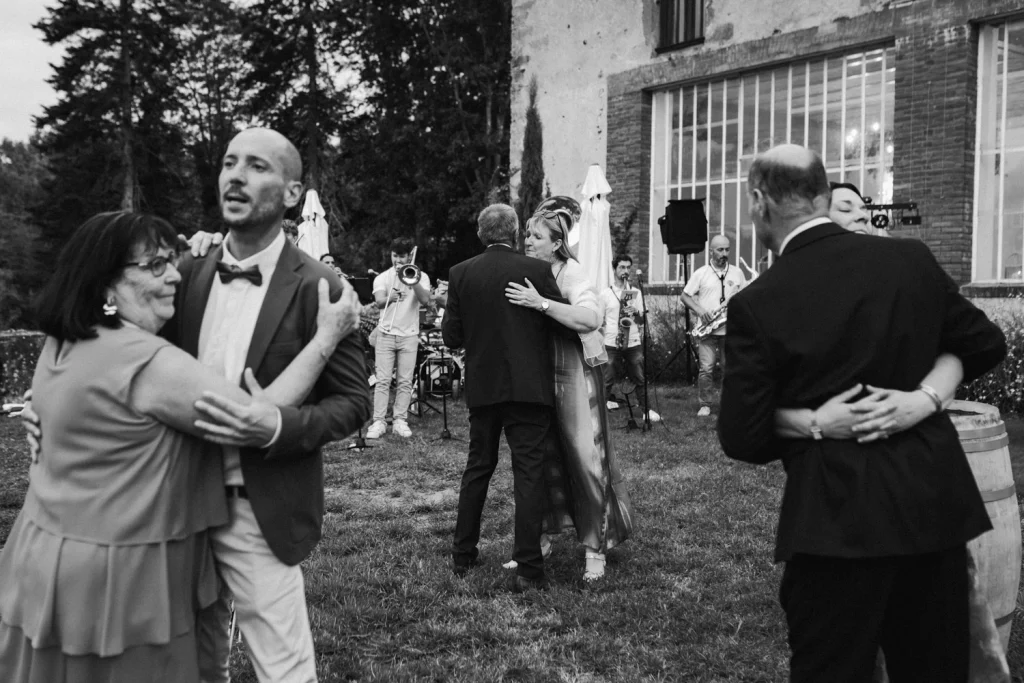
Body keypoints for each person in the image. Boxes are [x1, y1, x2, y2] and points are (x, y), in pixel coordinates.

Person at [0, 211, 354, 682]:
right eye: (154, 266)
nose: (175, 276)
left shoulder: (61, 341)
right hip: (118, 575)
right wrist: (326, 338)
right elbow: (252, 415)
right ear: (105, 285)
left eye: (172, 260)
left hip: (43, 552)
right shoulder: (150, 363)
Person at [718, 143, 1007, 683]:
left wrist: (818, 422)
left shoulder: (759, 302)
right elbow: (985, 343)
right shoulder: (908, 260)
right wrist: (923, 400)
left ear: (758, 202)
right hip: (932, 515)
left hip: (834, 526)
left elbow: (742, 435)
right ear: (825, 198)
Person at [168, 127, 371, 683]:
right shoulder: (186, 269)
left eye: (256, 166)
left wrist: (279, 427)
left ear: (290, 194)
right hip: (172, 501)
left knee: (284, 670)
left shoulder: (321, 286)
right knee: (191, 660)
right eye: (229, 162)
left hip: (260, 506)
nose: (235, 175)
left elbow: (353, 402)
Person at [505, 197, 634, 582]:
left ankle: (596, 548)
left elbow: (592, 318)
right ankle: (538, 541)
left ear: (557, 243)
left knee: (584, 454)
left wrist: (541, 303)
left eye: (536, 236)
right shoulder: (529, 270)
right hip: (539, 373)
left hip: (575, 371)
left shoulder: (574, 274)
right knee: (540, 456)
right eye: (527, 234)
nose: (527, 240)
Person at [443, 203, 564, 592]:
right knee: (528, 472)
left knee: (478, 467)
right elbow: (557, 323)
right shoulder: (538, 271)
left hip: (483, 386)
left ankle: (463, 554)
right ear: (514, 233)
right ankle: (529, 567)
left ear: (481, 234)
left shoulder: (461, 273)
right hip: (529, 387)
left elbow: (451, 337)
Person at [367, 237, 431, 439]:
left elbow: (426, 301)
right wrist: (390, 298)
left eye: (401, 256)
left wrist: (412, 280)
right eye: (395, 256)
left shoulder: (422, 277)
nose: (397, 260)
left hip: (409, 335)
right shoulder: (383, 278)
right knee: (383, 380)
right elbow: (378, 302)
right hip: (386, 333)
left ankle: (399, 420)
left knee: (404, 381)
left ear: (409, 256)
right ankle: (378, 422)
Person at [680, 234, 747, 417]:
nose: (724, 253)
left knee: (730, 369)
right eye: (720, 249)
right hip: (708, 329)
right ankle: (705, 404)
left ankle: (729, 403)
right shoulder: (701, 273)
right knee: (706, 369)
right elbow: (685, 296)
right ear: (711, 251)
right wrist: (701, 311)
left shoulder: (737, 272)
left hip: (730, 329)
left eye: (727, 249)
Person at [600, 254, 647, 414]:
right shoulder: (605, 294)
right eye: (622, 267)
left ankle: (646, 410)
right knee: (607, 379)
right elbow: (600, 320)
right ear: (615, 269)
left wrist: (635, 313)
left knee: (639, 377)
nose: (625, 271)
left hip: (633, 341)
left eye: (628, 267)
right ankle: (600, 413)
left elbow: (641, 321)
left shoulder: (636, 293)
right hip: (611, 341)